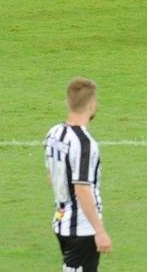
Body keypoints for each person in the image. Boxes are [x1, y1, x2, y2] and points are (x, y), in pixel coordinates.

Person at [44, 77, 110, 271]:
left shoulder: (54, 133)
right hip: (81, 227)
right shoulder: (84, 144)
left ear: (67, 102)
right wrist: (99, 231)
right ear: (91, 105)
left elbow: (51, 176)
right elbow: (81, 188)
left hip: (61, 219)